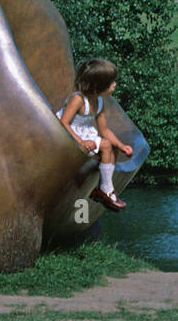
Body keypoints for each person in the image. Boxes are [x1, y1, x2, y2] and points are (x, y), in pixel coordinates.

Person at [55, 58, 135, 212]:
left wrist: (121, 145)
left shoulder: (99, 102)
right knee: (105, 145)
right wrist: (80, 142)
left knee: (109, 146)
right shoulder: (77, 100)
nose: (115, 85)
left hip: (84, 135)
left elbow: (104, 130)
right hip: (66, 136)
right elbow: (63, 123)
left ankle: (106, 189)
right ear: (98, 86)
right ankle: (105, 190)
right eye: (111, 83)